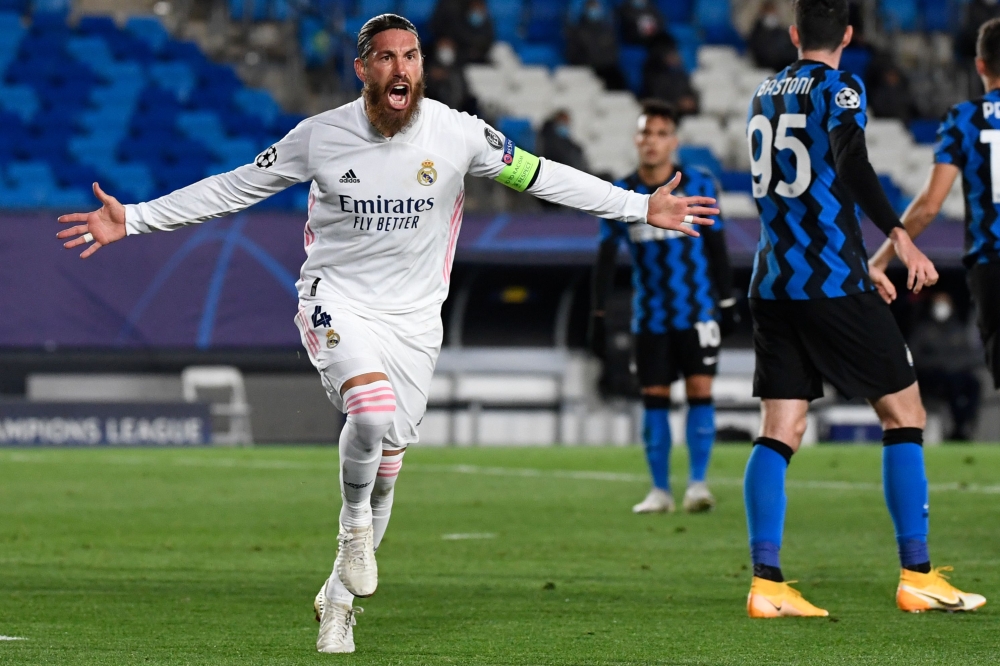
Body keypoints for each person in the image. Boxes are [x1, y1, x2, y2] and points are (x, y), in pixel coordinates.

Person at [56, 14, 720, 653]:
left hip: (413, 324)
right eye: (386, 56)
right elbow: (234, 188)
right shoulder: (320, 136)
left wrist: (639, 205)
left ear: (422, 68)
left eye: (410, 56)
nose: (400, 66)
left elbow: (543, 174)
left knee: (390, 462)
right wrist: (135, 219)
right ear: (362, 68)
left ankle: (337, 605)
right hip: (335, 300)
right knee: (368, 413)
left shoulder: (458, 135)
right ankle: (351, 532)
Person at [743, 0, 984, 618]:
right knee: (905, 411)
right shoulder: (840, 86)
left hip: (772, 282)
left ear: (796, 33)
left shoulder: (763, 94)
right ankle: (918, 574)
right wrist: (899, 239)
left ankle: (767, 584)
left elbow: (809, 193)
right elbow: (852, 163)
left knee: (781, 429)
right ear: (848, 35)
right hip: (829, 280)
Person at [590, 100, 735, 515]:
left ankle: (697, 485)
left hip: (698, 310)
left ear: (673, 141)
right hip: (650, 315)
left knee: (700, 391)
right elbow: (604, 257)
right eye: (644, 133)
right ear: (636, 140)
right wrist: (596, 315)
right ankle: (659, 491)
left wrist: (727, 300)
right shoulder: (621, 193)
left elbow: (717, 244)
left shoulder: (701, 184)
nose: (651, 141)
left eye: (659, 133)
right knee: (653, 398)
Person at [870, 17, 1000, 400]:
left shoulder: (964, 119)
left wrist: (881, 259)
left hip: (992, 260)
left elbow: (929, 205)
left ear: (980, 66)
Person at [907, 293, 982, 441]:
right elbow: (914, 357)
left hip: (958, 374)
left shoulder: (958, 330)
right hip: (933, 377)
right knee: (951, 384)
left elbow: (971, 355)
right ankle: (957, 428)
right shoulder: (924, 331)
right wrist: (940, 364)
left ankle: (962, 425)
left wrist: (955, 365)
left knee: (974, 385)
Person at [566, 0, 628, 91]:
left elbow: (613, 54)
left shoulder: (608, 31)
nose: (594, 11)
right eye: (591, 8)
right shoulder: (577, 32)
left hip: (607, 70)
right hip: (585, 71)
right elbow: (573, 55)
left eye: (596, 8)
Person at [642, 36, 698, 115]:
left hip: (684, 115)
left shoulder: (681, 75)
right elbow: (655, 97)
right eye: (671, 54)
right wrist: (678, 103)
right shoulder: (652, 76)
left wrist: (691, 101)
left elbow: (689, 92)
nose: (677, 56)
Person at [425, 37, 475, 113]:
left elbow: (464, 92)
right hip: (434, 110)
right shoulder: (427, 67)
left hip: (456, 110)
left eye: (448, 45)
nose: (446, 48)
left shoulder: (458, 69)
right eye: (443, 45)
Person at [748, 1, 798, 71]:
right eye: (768, 10)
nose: (771, 13)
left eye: (772, 10)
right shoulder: (756, 33)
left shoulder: (785, 32)